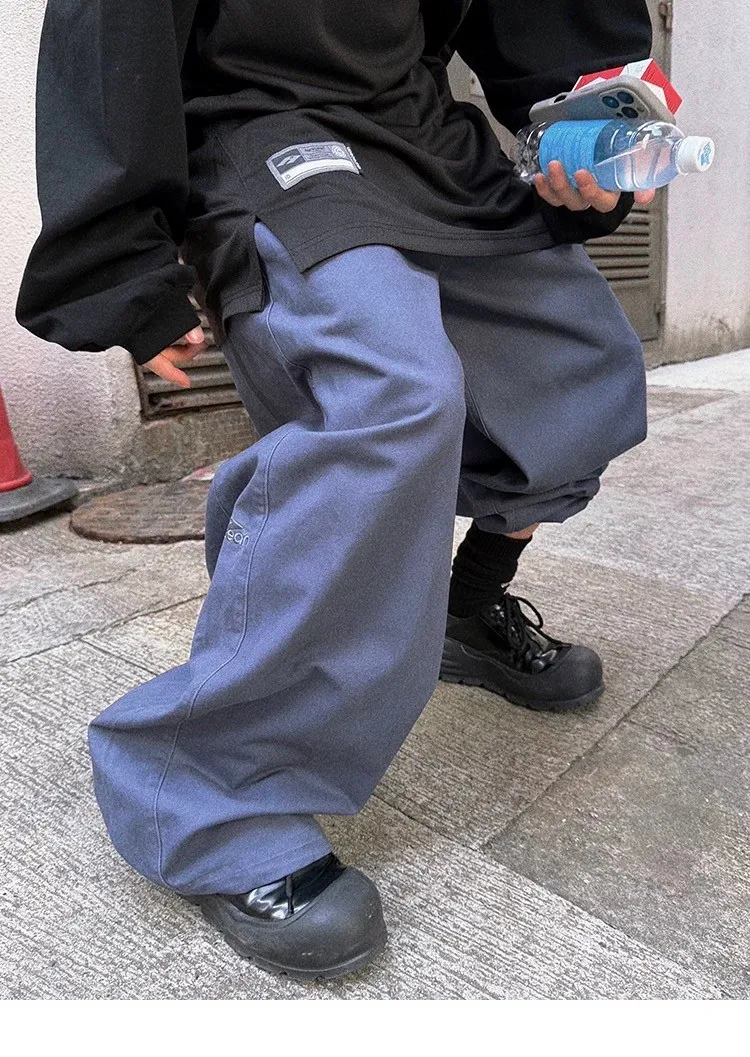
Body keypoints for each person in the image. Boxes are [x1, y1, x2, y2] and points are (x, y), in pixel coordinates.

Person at [17, 0, 654, 982]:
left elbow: (547, 26)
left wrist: (584, 116)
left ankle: (467, 606)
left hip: (420, 131)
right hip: (262, 124)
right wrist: (124, 260)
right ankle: (205, 787)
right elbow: (110, 25)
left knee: (581, 376)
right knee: (388, 397)